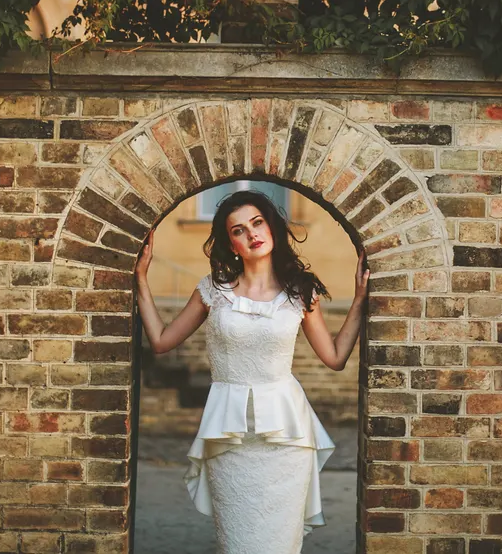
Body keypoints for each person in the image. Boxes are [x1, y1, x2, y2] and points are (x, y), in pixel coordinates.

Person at [134, 190, 368, 554]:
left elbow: (335, 357)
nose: (252, 234)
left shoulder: (300, 293)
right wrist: (142, 282)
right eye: (239, 230)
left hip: (286, 441)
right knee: (239, 542)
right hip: (230, 440)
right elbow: (162, 341)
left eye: (257, 223)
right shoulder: (212, 290)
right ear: (231, 244)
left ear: (271, 227)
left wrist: (359, 300)